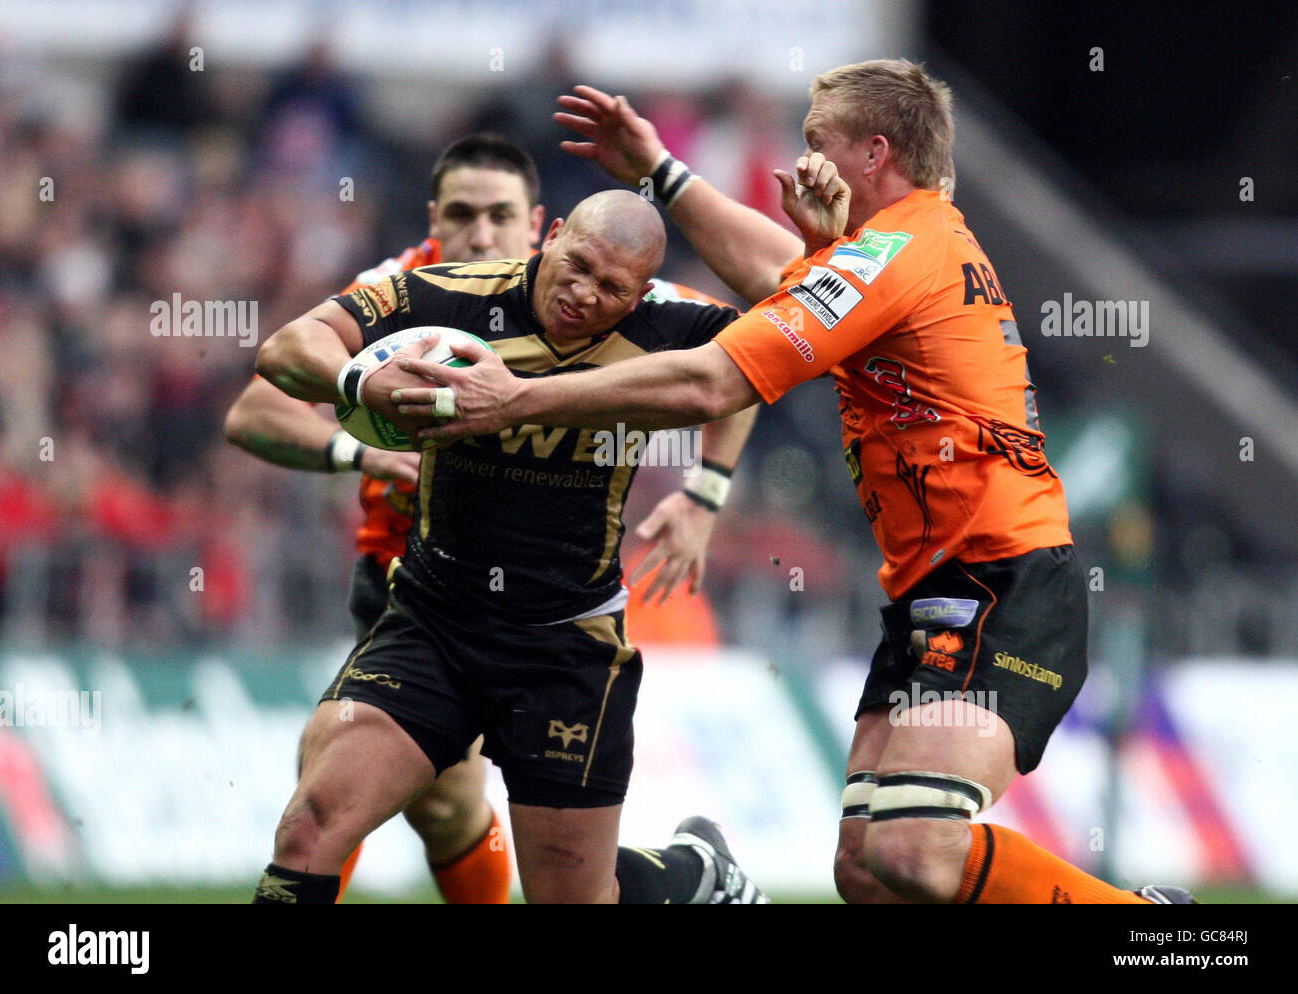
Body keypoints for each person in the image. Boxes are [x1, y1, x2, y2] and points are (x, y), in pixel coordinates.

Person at [403, 61, 1194, 905]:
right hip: (935, 590)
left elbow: (713, 381)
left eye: (819, 142)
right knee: (866, 872)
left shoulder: (899, 248)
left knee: (917, 850)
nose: (804, 159)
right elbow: (777, 271)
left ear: (875, 153)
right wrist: (660, 174)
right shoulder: (892, 246)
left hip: (1003, 580)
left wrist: (518, 399)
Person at [252, 188, 766, 904]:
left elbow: (762, 358)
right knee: (310, 826)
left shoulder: (675, 322)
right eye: (576, 264)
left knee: (573, 896)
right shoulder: (450, 296)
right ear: (550, 236)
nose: (582, 293)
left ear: (640, 292)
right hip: (434, 624)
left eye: (610, 286)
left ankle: (697, 872)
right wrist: (360, 380)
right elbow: (284, 348)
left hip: (567, 643)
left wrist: (706, 491)